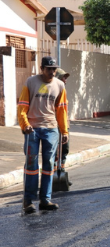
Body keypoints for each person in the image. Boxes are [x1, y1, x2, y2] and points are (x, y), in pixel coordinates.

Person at [17, 56, 69, 213]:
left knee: (49, 165)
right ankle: (28, 201)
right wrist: (25, 125)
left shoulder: (60, 86)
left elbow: (62, 111)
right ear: (42, 68)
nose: (52, 72)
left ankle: (45, 199)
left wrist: (64, 130)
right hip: (32, 129)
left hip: (51, 129)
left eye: (54, 69)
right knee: (31, 165)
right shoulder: (31, 82)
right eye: (49, 69)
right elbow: (22, 107)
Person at [54, 68, 72, 186]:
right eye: (64, 77)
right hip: (56, 126)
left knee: (64, 150)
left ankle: (62, 173)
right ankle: (54, 175)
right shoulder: (55, 91)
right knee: (55, 153)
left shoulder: (63, 91)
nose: (66, 80)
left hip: (64, 126)